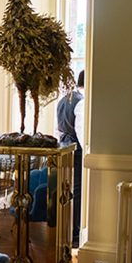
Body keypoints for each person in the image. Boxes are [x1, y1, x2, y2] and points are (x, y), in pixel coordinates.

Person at [55, 69, 84, 246]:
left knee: (66, 188)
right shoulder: (82, 102)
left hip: (64, 147)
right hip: (77, 148)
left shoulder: (64, 99)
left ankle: (65, 230)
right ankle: (74, 234)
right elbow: (81, 131)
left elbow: (57, 128)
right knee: (78, 191)